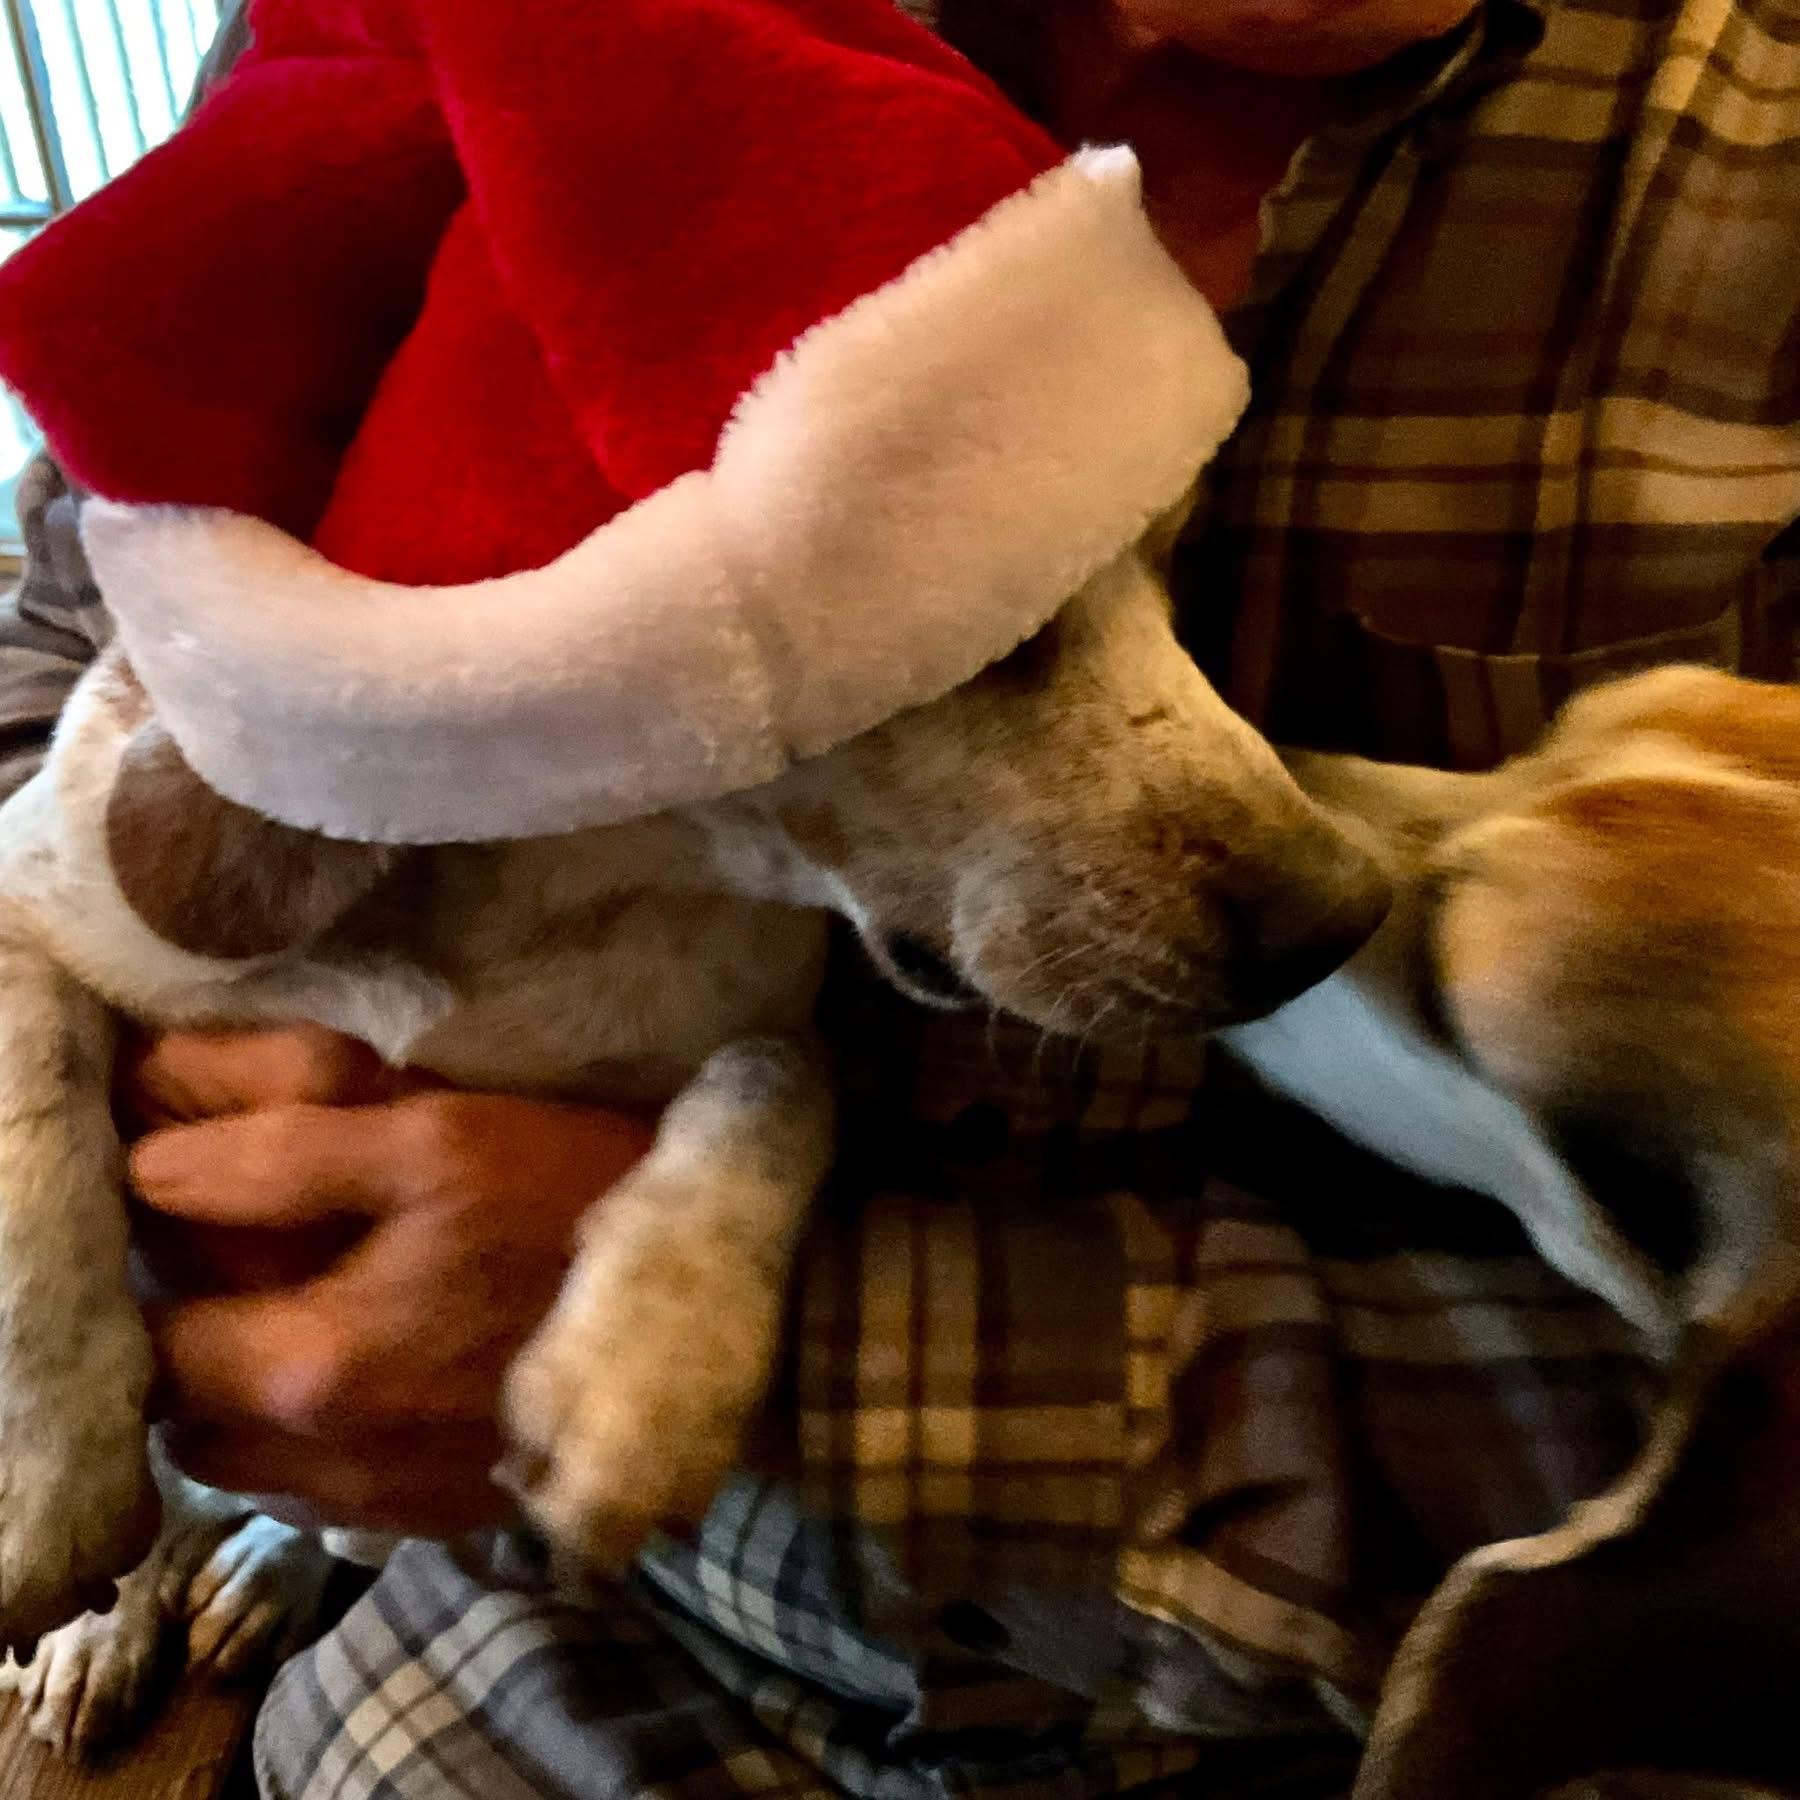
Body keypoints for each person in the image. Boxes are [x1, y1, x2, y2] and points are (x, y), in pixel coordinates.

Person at [0, 0, 1794, 1794]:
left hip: (1290, 1716)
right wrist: (117, 1156)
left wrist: (828, 1360)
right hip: (476, 1648)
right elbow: (70, 623)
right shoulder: (395, 47)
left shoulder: (1756, 153)